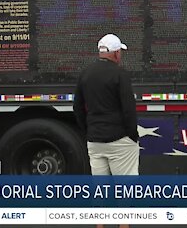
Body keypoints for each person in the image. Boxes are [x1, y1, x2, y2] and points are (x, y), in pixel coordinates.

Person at [73, 33, 139, 228]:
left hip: (95, 140)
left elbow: (77, 107)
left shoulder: (85, 73)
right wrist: (132, 135)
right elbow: (129, 109)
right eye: (120, 52)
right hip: (119, 140)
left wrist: (88, 130)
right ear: (116, 53)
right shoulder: (120, 75)